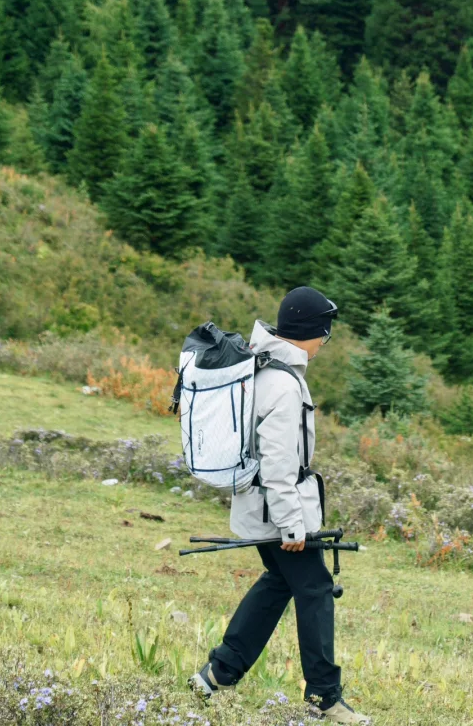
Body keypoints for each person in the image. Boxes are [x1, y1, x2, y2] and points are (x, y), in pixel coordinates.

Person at [190, 287, 365, 722]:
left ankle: (217, 673)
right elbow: (279, 463)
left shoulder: (262, 369)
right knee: (315, 589)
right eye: (325, 334)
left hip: (259, 507)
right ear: (311, 332)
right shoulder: (285, 384)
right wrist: (292, 526)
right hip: (279, 511)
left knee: (278, 583)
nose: (325, 342)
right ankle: (325, 697)